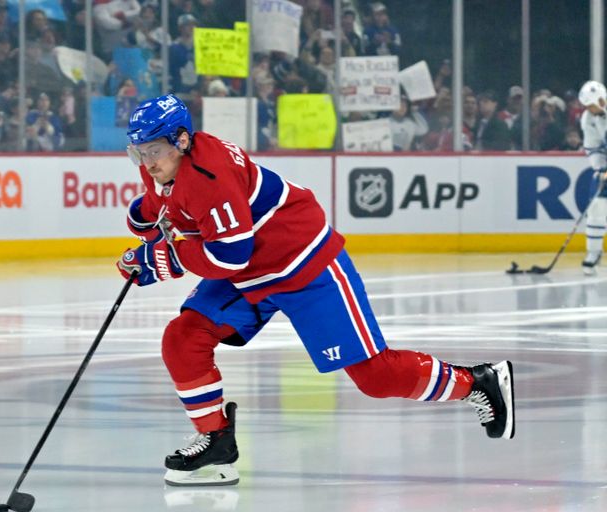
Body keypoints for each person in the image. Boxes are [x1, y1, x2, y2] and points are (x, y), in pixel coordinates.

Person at [115, 94, 516, 487]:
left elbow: (228, 256)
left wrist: (158, 260)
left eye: (153, 151)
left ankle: (478, 383)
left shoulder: (211, 176)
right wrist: (144, 219)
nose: (147, 163)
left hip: (303, 265)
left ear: (182, 140)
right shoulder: (168, 164)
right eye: (139, 153)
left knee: (375, 377)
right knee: (183, 337)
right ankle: (216, 442)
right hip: (256, 271)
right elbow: (168, 204)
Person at [578, 80, 607, 275]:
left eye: (593, 104)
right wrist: (600, 168)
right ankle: (593, 252)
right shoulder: (588, 118)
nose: (591, 109)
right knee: (597, 206)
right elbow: (593, 147)